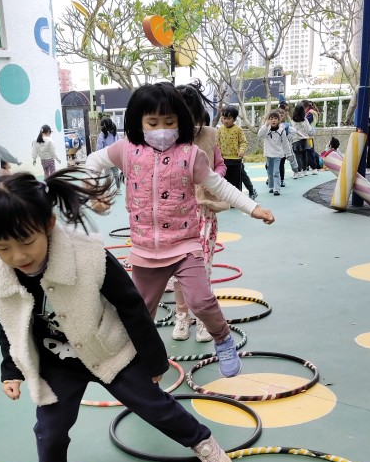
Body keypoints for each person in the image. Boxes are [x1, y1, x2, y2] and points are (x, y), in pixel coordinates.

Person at [0, 170, 238, 462]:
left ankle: (202, 442)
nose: (17, 256)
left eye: (26, 241)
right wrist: (11, 370)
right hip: (57, 361)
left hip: (108, 348)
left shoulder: (88, 255)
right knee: (49, 428)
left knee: (153, 405)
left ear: (49, 224)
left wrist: (154, 360)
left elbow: (131, 305)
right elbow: (8, 319)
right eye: (2, 247)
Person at [85, 83, 274, 378]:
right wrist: (94, 192)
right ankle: (148, 363)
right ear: (138, 122)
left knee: (201, 300)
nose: (162, 130)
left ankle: (223, 339)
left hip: (184, 245)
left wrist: (252, 208)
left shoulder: (190, 154)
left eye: (169, 122)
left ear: (181, 121)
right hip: (145, 250)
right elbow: (93, 161)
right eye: (153, 123)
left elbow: (218, 184)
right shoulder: (127, 150)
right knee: (142, 313)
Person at [171, 82, 229, 344]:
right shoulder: (165, 139)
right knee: (178, 270)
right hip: (174, 214)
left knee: (201, 269)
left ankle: (202, 318)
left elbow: (220, 165)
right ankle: (182, 315)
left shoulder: (208, 136)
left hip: (203, 212)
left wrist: (213, 177)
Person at [258, 110, 291, 195]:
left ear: (279, 120)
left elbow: (285, 142)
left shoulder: (281, 130)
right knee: (270, 172)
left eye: (275, 118)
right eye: (271, 118)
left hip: (278, 154)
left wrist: (288, 153)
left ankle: (277, 188)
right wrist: (265, 125)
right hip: (269, 154)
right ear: (268, 120)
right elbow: (259, 134)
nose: (273, 120)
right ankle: (272, 186)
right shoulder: (266, 130)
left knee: (276, 171)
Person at [216, 106, 246, 191]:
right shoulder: (220, 130)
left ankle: (237, 198)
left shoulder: (238, 130)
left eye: (229, 118)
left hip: (235, 160)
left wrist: (241, 150)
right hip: (223, 160)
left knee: (236, 183)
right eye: (224, 118)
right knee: (225, 183)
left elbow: (243, 142)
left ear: (234, 119)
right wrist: (218, 154)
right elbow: (217, 143)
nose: (226, 121)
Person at [289, 102, 316, 177]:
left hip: (296, 140)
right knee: (304, 156)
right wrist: (312, 132)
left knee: (297, 156)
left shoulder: (292, 121)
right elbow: (309, 130)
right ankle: (304, 170)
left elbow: (291, 131)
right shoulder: (305, 120)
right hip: (304, 140)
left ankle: (299, 171)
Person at [94, 118, 121, 190]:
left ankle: (108, 189)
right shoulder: (115, 133)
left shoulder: (102, 135)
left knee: (108, 174)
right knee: (116, 173)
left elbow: (99, 147)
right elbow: (119, 143)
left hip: (106, 157)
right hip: (114, 157)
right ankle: (118, 188)